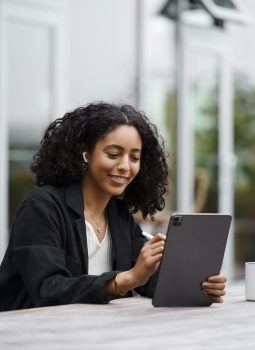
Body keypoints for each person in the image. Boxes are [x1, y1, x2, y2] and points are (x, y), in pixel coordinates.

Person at [0, 102, 226, 311]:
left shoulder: (118, 216)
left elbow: (149, 278)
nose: (125, 167)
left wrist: (198, 287)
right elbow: (48, 289)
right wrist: (123, 280)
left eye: (135, 158)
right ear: (85, 153)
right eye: (114, 154)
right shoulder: (41, 208)